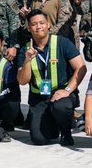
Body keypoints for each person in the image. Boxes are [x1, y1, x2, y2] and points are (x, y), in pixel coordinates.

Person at [18, 9, 87, 146]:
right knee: (39, 139)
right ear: (29, 28)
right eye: (34, 24)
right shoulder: (25, 49)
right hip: (40, 98)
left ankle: (66, 132)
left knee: (61, 108)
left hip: (61, 94)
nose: (38, 27)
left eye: (42, 23)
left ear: (48, 24)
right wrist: (27, 61)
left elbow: (81, 68)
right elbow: (22, 80)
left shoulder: (63, 43)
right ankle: (52, 127)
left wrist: (67, 90)